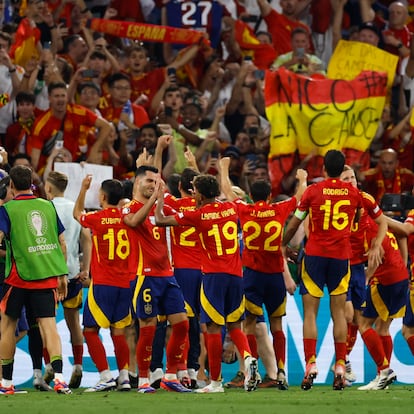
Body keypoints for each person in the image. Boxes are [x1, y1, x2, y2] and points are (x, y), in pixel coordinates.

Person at [155, 171, 260, 394]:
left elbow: (161, 221)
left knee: (212, 327)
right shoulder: (233, 208)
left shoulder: (199, 215)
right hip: (236, 276)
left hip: (213, 276)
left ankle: (216, 382)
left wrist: (160, 199)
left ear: (201, 196)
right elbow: (235, 197)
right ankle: (248, 356)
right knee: (234, 325)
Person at [281, 150, 367, 391]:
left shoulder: (313, 191)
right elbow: (358, 221)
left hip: (315, 257)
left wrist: (284, 244)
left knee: (310, 313)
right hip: (341, 258)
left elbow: (296, 221)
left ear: (324, 170)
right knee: (339, 314)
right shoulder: (354, 193)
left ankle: (311, 364)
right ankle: (340, 365)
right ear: (342, 171)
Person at [220, 156, 308, 389]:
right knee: (276, 327)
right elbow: (300, 197)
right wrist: (302, 178)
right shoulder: (278, 209)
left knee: (249, 325)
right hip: (274, 277)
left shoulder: (244, 209)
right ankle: (280, 372)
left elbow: (228, 192)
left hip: (252, 276)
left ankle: (252, 371)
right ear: (269, 196)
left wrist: (225, 168)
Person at [0, 165, 71, 394]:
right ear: (32, 183)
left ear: (11, 185)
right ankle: (60, 378)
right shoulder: (47, 206)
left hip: (18, 278)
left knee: (8, 327)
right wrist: (62, 275)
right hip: (46, 276)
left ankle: (6, 383)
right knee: (49, 326)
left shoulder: (7, 210)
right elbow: (61, 242)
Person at [122, 164, 190, 394]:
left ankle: (171, 375)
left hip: (167, 275)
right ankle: (143, 379)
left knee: (182, 323)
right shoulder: (128, 206)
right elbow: (132, 222)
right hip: (145, 276)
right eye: (149, 181)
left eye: (157, 182)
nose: (154, 185)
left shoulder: (161, 207)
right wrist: (154, 200)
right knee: (148, 328)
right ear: (137, 182)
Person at [73, 176, 133, 392]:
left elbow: (76, 214)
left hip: (103, 284)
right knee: (119, 332)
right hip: (125, 284)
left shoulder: (97, 218)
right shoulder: (129, 218)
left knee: (90, 330)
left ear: (103, 196)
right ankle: (124, 377)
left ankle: (106, 376)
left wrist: (82, 188)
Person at [339, 165, 388, 385]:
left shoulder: (365, 199)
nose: (350, 180)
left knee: (359, 319)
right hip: (340, 265)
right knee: (349, 315)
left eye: (352, 177)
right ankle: (347, 362)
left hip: (358, 266)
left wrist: (377, 245)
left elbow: (383, 222)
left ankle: (348, 362)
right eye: (345, 178)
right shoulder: (334, 202)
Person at [43, 171, 91, 389]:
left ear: (49, 188)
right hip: (72, 273)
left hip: (49, 274)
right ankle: (79, 365)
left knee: (48, 323)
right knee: (74, 323)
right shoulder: (75, 208)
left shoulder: (45, 208)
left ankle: (50, 366)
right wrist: (86, 269)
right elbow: (87, 239)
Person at [355, 221, 408, 390]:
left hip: (385, 279)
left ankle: (384, 370)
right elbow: (402, 236)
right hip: (400, 276)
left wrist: (366, 277)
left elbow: (378, 254)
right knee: (382, 328)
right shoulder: (381, 223)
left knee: (363, 324)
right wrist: (404, 262)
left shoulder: (368, 226)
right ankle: (382, 377)